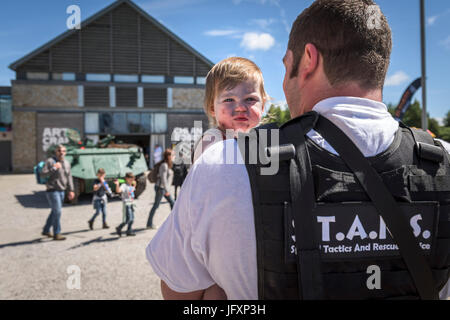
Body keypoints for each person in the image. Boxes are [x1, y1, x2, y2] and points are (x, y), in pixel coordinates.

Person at [147, 0, 450, 300]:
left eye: (286, 67)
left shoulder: (223, 164)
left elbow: (179, 293)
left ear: (308, 60)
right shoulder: (443, 161)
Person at [192, 56, 268, 163]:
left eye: (250, 99)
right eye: (229, 99)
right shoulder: (212, 141)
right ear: (212, 108)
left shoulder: (264, 141)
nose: (240, 108)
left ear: (262, 106)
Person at [40, 144, 75, 241]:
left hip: (62, 191)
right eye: (59, 151)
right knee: (58, 212)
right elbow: (42, 174)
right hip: (52, 190)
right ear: (56, 152)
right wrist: (54, 168)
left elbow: (69, 177)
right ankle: (57, 233)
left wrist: (71, 190)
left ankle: (46, 230)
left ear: (66, 152)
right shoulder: (50, 161)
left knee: (55, 211)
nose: (61, 153)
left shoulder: (67, 163)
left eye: (63, 151)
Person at [146, 149, 175, 229]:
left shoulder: (168, 164)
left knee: (173, 203)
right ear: (168, 156)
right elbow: (163, 179)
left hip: (163, 188)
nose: (174, 156)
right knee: (156, 205)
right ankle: (149, 224)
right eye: (172, 155)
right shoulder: (164, 165)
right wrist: (167, 190)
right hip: (160, 188)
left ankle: (175, 221)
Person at [115, 172, 137, 237]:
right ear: (126, 179)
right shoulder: (124, 186)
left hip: (131, 203)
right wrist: (117, 184)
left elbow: (131, 192)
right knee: (128, 219)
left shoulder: (131, 186)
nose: (132, 180)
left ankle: (129, 231)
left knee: (132, 219)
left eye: (133, 179)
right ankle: (119, 227)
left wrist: (134, 185)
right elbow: (118, 191)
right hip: (126, 203)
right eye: (130, 179)